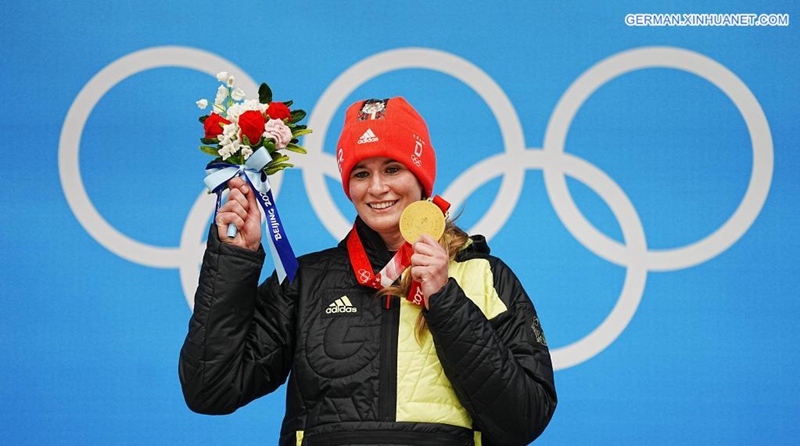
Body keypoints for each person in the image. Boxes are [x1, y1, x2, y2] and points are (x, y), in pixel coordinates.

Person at [179, 97, 557, 446]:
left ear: (421, 178)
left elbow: (523, 419)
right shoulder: (306, 280)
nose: (377, 188)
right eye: (361, 173)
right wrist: (234, 259)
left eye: (392, 168)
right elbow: (211, 389)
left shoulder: (484, 275)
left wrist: (445, 299)